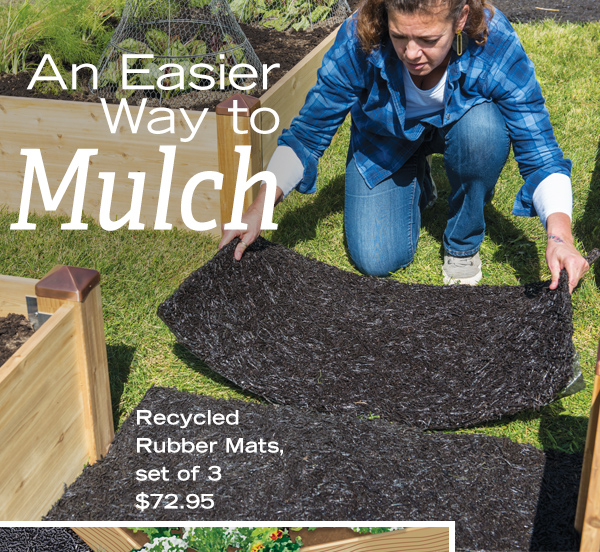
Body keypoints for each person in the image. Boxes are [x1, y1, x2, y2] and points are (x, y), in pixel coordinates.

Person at [219, 0, 589, 292]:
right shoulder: (360, 37)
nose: (412, 53)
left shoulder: (493, 41)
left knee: (482, 131)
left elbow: (539, 150)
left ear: (460, 19)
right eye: (400, 37)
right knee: (376, 258)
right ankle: (417, 177)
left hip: (467, 129)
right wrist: (258, 208)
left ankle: (462, 242)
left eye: (429, 40)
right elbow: (308, 132)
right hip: (386, 140)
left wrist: (560, 237)